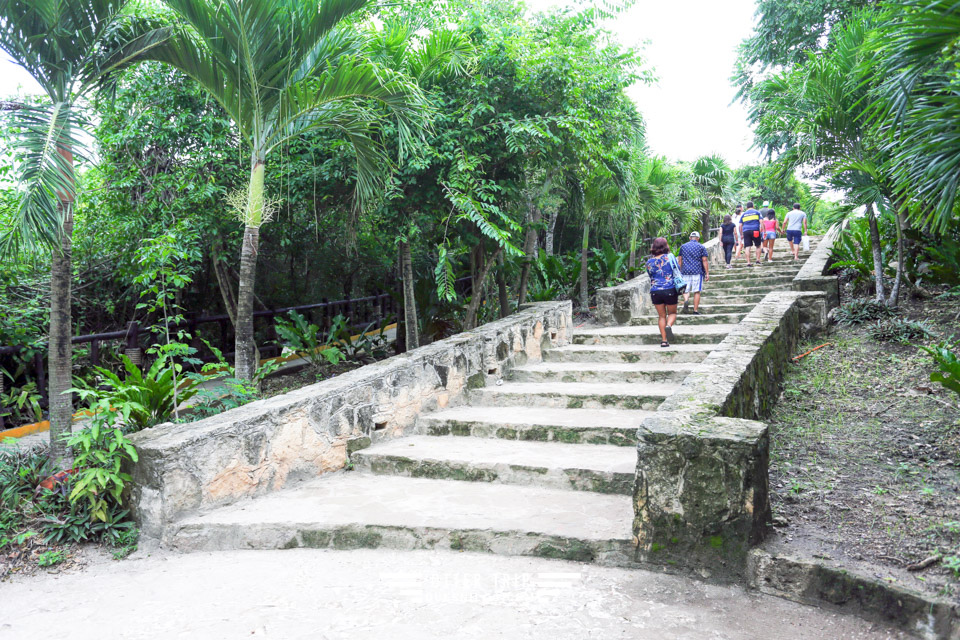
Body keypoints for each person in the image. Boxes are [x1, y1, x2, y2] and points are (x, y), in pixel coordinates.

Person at [645, 237, 678, 347]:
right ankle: (669, 326)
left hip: (655, 291)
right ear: (665, 246)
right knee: (672, 313)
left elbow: (651, 276)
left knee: (661, 316)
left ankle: (664, 341)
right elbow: (677, 270)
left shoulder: (649, 262)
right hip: (669, 289)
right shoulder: (670, 257)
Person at [677, 231, 709, 314]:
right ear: (698, 238)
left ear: (689, 238)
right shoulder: (701, 247)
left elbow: (680, 260)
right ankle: (695, 310)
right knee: (697, 291)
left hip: (685, 271)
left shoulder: (683, 247)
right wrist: (707, 273)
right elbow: (704, 260)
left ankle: (686, 300)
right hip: (697, 271)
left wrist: (679, 272)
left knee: (685, 290)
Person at [739, 201, 763, 266]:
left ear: (746, 207)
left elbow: (740, 225)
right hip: (755, 230)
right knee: (758, 245)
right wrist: (763, 230)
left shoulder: (743, 214)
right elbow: (761, 222)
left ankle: (748, 262)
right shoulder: (757, 212)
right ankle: (758, 260)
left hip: (746, 231)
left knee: (747, 247)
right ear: (753, 206)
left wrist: (741, 234)